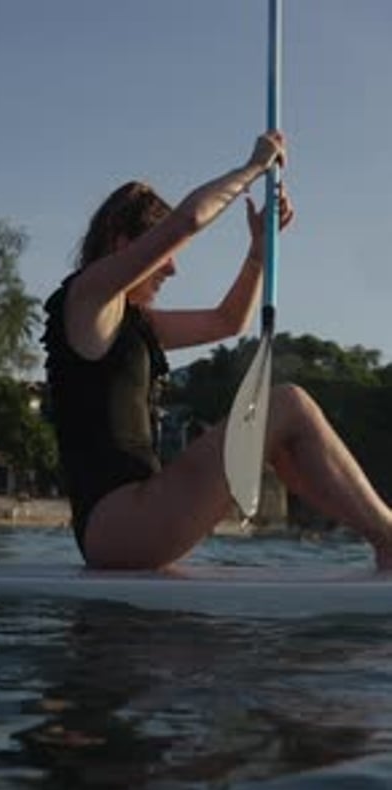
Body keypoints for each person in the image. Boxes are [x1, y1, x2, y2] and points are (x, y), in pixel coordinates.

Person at [43, 131, 392, 571]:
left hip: (140, 516)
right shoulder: (87, 299)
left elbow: (228, 321)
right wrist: (253, 168)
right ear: (120, 241)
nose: (171, 266)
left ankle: (375, 543)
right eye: (160, 252)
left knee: (283, 436)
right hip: (123, 523)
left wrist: (257, 253)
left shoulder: (134, 325)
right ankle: (390, 538)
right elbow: (186, 223)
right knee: (286, 403)